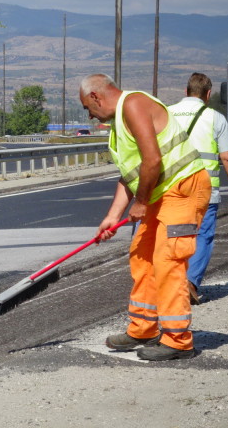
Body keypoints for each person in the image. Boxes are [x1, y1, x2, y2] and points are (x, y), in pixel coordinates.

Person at [79, 74, 210, 361]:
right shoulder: (118, 125)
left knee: (168, 261)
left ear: (96, 97)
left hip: (182, 189)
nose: (90, 116)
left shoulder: (134, 105)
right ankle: (143, 328)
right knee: (142, 255)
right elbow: (130, 176)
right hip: (159, 193)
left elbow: (152, 160)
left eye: (88, 109)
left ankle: (178, 340)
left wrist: (139, 203)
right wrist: (112, 216)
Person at [168, 73, 228, 304]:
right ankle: (190, 282)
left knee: (174, 236)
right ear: (208, 94)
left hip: (172, 188)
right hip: (204, 190)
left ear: (186, 91)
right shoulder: (214, 117)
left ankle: (171, 282)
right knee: (202, 236)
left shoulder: (166, 114)